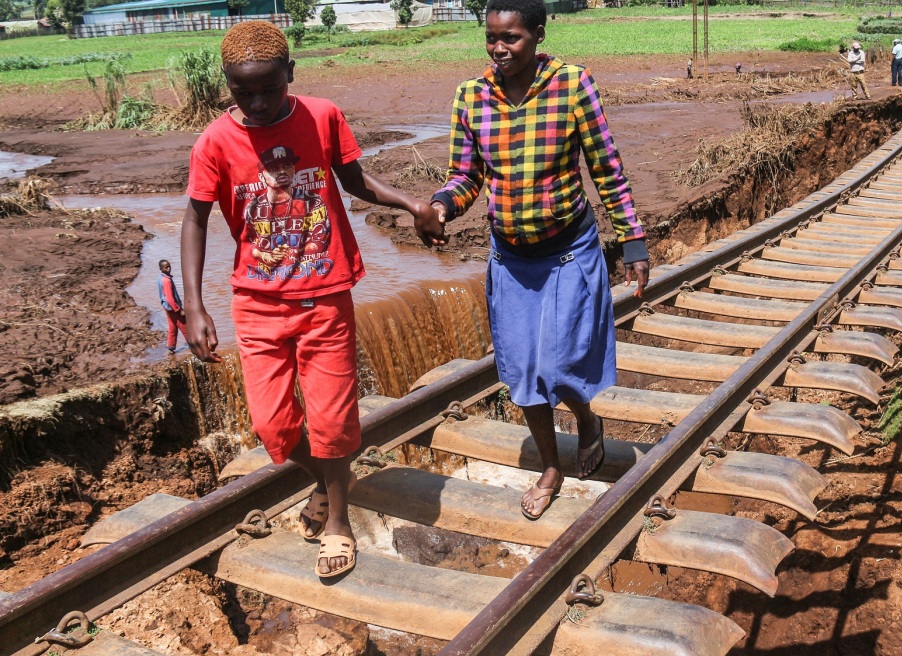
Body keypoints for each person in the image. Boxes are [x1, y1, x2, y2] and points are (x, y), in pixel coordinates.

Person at [180, 21, 443, 579]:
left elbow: (356, 181)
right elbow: (195, 219)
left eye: (267, 88)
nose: (255, 102)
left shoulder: (321, 116)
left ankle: (338, 523)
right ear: (227, 86)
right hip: (257, 302)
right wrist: (194, 306)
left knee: (332, 423)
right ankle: (325, 481)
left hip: (326, 296)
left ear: (290, 75)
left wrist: (412, 204)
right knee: (272, 427)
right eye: (241, 91)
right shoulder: (214, 142)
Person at [430, 0, 649, 520]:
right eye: (492, 38)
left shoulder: (573, 84)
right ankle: (550, 465)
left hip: (569, 250)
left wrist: (632, 240)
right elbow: (466, 177)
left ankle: (587, 422)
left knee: (563, 366)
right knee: (525, 371)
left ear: (538, 34)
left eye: (512, 38)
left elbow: (606, 168)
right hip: (511, 259)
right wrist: (442, 204)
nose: (500, 49)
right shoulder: (472, 96)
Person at [158, 259, 187, 354]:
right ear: (161, 268)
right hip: (172, 307)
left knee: (172, 326)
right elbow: (170, 297)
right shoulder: (166, 281)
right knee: (184, 325)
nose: (168, 269)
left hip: (167, 307)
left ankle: (171, 347)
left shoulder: (161, 278)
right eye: (166, 267)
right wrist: (178, 309)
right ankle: (193, 343)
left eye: (169, 266)